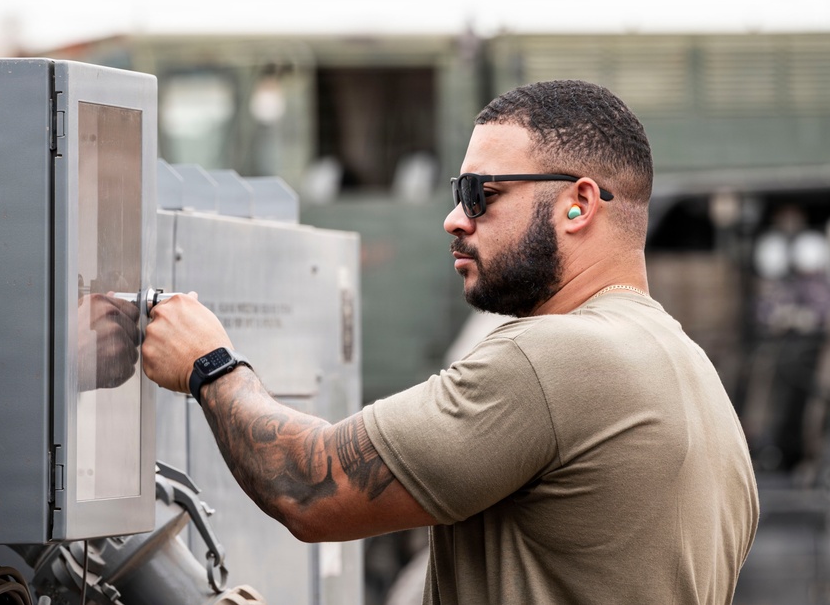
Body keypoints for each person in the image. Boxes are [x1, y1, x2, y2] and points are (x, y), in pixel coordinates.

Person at [141, 79, 759, 604]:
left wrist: (211, 364)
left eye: (480, 195)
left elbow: (308, 486)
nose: (455, 219)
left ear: (579, 204)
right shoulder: (689, 370)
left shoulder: (554, 358)